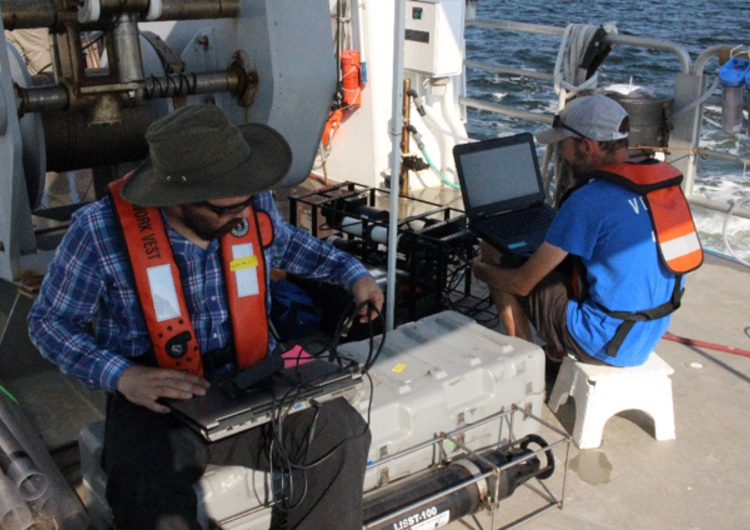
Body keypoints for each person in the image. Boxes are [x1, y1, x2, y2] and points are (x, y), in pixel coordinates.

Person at [28, 104, 384, 530]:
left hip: (258, 374)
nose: (242, 215)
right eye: (226, 210)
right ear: (175, 199)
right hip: (158, 400)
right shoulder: (97, 233)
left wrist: (355, 275)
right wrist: (122, 376)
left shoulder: (248, 204)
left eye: (247, 203)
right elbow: (48, 324)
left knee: (342, 432)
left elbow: (295, 247)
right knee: (147, 494)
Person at [472, 95, 700, 369]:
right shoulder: (660, 187)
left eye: (564, 145)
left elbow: (522, 283)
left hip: (600, 343)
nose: (562, 155)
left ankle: (526, 369)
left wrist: (480, 271)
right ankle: (555, 350)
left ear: (587, 146)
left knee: (499, 258)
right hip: (646, 334)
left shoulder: (587, 200)